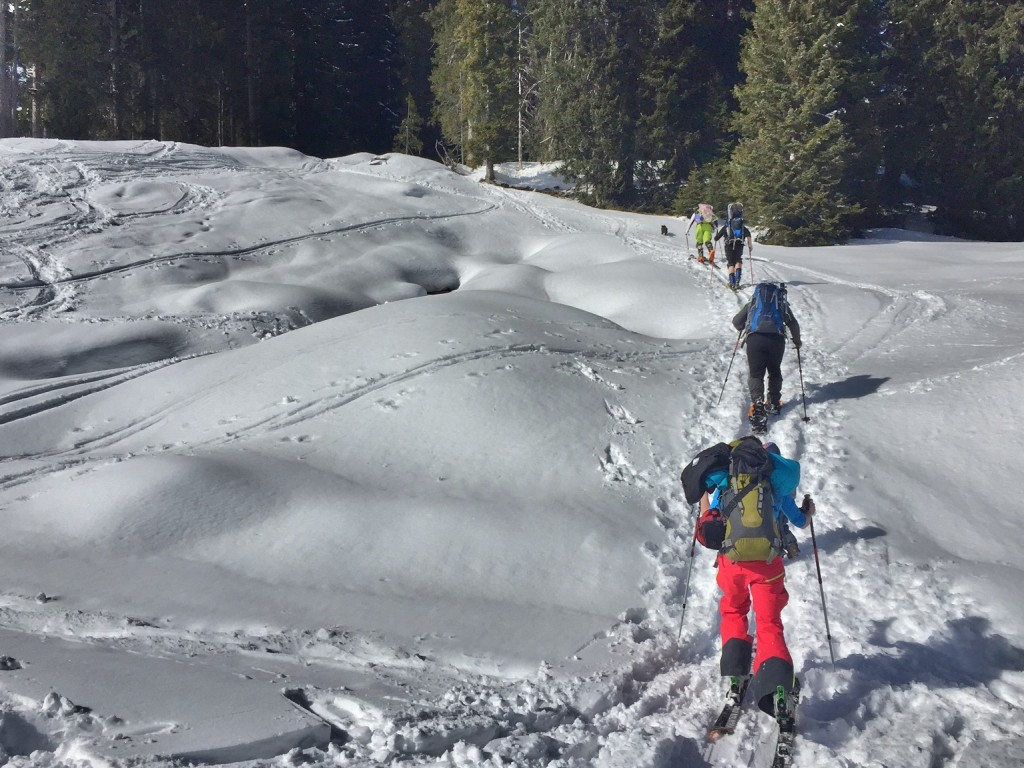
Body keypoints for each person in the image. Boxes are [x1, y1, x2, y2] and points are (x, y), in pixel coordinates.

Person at [695, 438, 815, 718]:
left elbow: (708, 516)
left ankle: (737, 676)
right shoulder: (774, 485)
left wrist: (701, 491)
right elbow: (799, 521)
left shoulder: (727, 481)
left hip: (731, 562)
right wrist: (810, 512)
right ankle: (778, 690)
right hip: (767, 565)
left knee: (734, 610)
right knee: (768, 621)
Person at [732, 282, 801, 431]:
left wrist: (742, 327)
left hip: (755, 340)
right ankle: (774, 403)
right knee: (774, 370)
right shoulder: (781, 304)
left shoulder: (753, 303)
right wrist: (797, 341)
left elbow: (737, 321)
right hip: (776, 340)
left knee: (756, 374)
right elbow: (793, 323)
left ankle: (758, 406)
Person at [714, 203, 753, 289]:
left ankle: (732, 283)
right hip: (740, 244)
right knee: (738, 261)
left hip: (729, 245)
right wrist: (750, 245)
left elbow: (717, 237)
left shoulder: (728, 225)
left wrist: (716, 237)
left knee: (731, 263)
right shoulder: (741, 225)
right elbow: (748, 234)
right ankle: (738, 281)